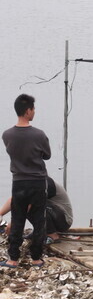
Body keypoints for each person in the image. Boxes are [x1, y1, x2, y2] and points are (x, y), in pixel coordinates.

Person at [2, 94, 50, 268]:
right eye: (33, 109)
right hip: (37, 182)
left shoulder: (7, 135)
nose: (34, 112)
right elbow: (47, 155)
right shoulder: (39, 134)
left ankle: (13, 258)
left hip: (19, 182)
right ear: (28, 111)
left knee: (17, 218)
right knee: (38, 221)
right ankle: (36, 258)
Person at [0, 177, 72, 244]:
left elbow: (28, 204)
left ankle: (52, 235)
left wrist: (14, 222)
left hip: (63, 221)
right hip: (53, 214)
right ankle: (40, 231)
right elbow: (15, 199)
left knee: (31, 205)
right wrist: (0, 214)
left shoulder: (43, 183)